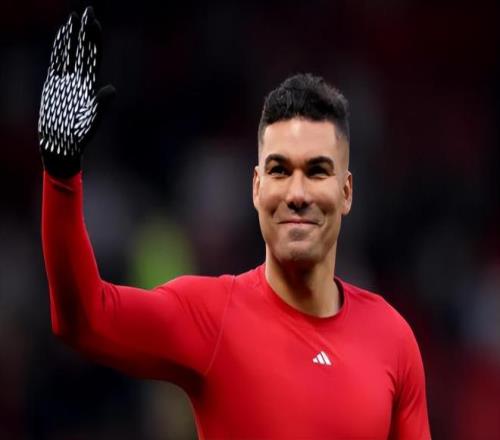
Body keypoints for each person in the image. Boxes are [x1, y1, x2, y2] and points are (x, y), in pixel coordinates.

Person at [39, 7, 431, 440]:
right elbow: (83, 318)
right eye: (279, 170)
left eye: (317, 171)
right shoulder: (212, 317)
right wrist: (61, 175)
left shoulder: (392, 339)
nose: (297, 193)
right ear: (257, 188)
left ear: (346, 192)